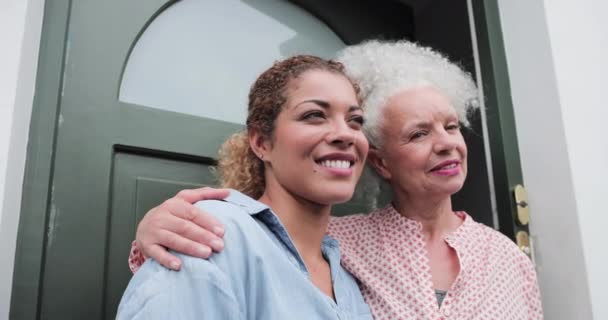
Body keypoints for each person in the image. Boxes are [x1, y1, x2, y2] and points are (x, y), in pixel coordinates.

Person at [129, 40, 544, 319]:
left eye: (452, 127)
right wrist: (155, 234)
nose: (446, 144)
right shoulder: (215, 234)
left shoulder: (337, 267)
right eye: (418, 133)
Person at [117, 55, 373, 320]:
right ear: (262, 143)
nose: (346, 134)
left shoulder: (349, 272)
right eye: (315, 115)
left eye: (355, 120)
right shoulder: (210, 233)